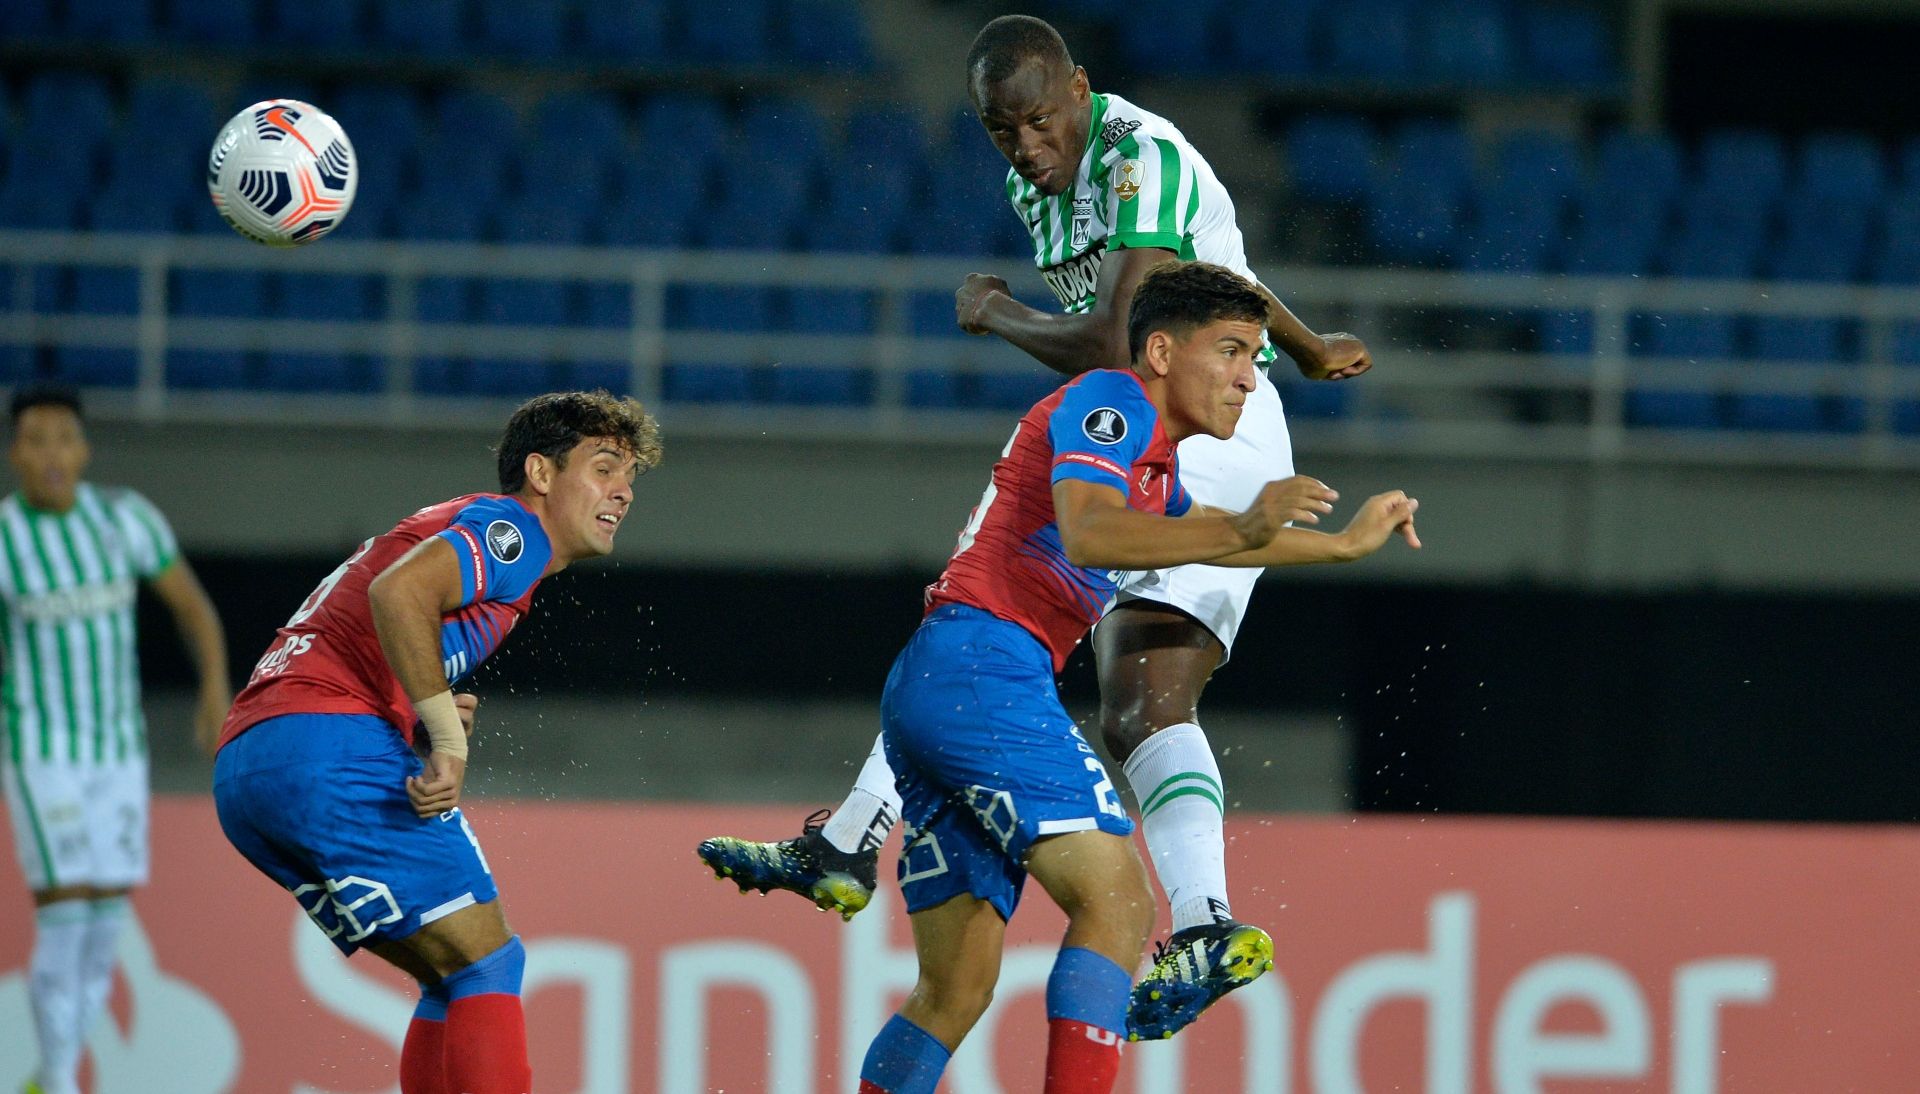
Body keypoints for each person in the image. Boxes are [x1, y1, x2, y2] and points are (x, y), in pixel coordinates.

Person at [699, 12, 1372, 1040]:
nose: (1027, 147)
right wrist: (1309, 338)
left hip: (1215, 422)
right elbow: (1210, 284)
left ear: (1082, 89)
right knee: (1109, 688)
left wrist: (999, 311)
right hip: (1166, 414)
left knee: (1016, 626)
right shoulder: (1037, 185)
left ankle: (868, 841)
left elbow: (1124, 335)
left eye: (1042, 121)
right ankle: (1189, 919)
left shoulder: (1139, 158)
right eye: (1003, 130)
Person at [851, 262, 1418, 1094]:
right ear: (1159, 350)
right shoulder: (1108, 404)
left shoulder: (1154, 469)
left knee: (954, 990)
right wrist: (1247, 523)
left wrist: (1343, 545)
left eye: (1258, 359)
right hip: (987, 672)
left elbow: (1216, 533)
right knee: (1118, 907)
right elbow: (1088, 532)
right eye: (1230, 350)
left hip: (943, 681)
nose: (1246, 378)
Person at [211, 391, 660, 1094]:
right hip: (328, 748)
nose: (624, 491)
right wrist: (446, 739)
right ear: (541, 474)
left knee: (449, 974)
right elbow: (398, 595)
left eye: (630, 476)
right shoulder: (515, 531)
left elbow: (365, 623)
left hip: (252, 765)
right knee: (490, 963)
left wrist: (418, 706)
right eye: (604, 468)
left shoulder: (462, 524)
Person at [1, 383, 231, 1094]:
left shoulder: (123, 520)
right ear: (15, 453)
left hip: (118, 751)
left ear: (83, 449)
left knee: (105, 924)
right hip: (42, 751)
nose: (51, 455)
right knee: (66, 914)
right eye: (36, 441)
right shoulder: (5, 538)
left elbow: (192, 607)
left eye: (63, 439)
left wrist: (214, 688)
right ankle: (65, 1081)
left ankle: (51, 1074)